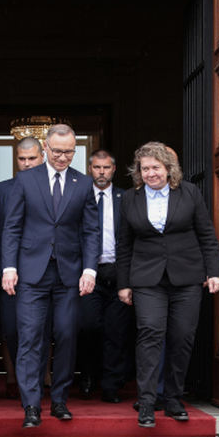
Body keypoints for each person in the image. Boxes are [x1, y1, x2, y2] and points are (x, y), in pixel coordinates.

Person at [116, 142, 219, 428]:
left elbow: (207, 235)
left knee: (182, 336)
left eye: (155, 168)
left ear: (168, 169)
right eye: (145, 168)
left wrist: (214, 271)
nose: (150, 173)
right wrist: (123, 283)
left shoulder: (189, 192)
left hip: (187, 277)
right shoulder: (130, 198)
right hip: (146, 279)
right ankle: (148, 402)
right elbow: (124, 244)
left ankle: (174, 398)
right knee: (149, 334)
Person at [2, 124, 100, 428]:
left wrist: (90, 269)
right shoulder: (25, 179)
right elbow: (12, 226)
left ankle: (59, 400)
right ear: (46, 147)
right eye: (57, 151)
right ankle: (31, 404)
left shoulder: (83, 183)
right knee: (30, 337)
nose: (63, 157)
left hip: (69, 273)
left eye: (69, 151)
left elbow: (91, 229)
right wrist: (9, 267)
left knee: (67, 335)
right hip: (31, 272)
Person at [0, 137, 45, 399]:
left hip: (43, 272)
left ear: (42, 157)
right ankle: (24, 381)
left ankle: (36, 384)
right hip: (9, 274)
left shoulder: (53, 187)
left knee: (41, 329)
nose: (27, 163)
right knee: (12, 328)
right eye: (22, 159)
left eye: (32, 158)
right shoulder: (3, 190)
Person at [77, 150, 131, 403]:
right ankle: (87, 374)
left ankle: (111, 384)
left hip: (118, 272)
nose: (101, 172)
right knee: (87, 326)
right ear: (90, 169)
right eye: (97, 167)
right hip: (88, 274)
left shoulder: (126, 198)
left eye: (106, 167)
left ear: (114, 169)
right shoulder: (79, 196)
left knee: (116, 331)